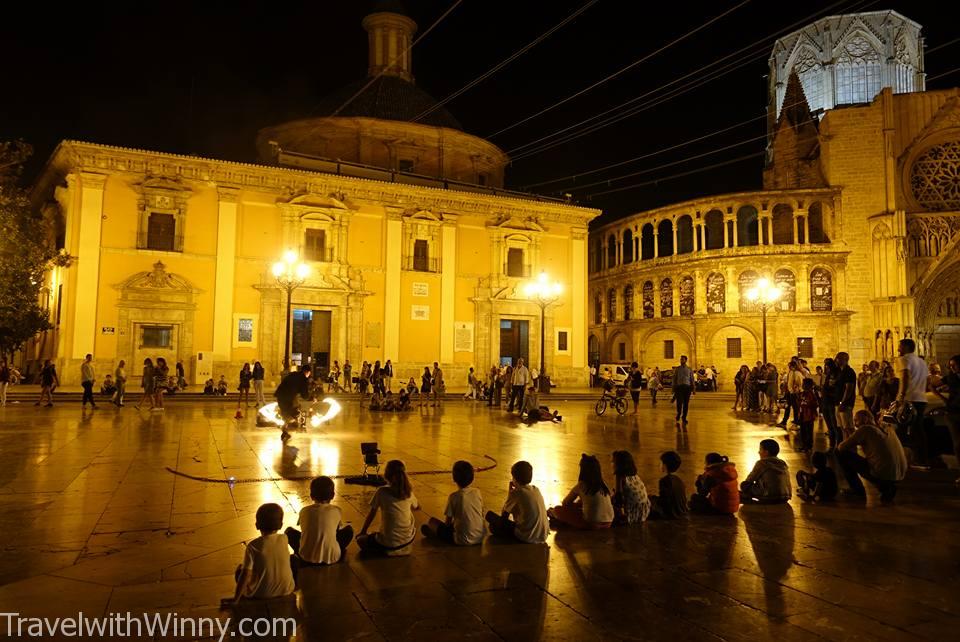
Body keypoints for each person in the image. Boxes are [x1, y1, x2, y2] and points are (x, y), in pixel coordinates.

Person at [837, 410, 907, 503]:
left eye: (856, 420)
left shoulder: (865, 429)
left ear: (865, 419)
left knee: (840, 453)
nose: (855, 424)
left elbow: (841, 447)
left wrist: (849, 434)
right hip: (899, 474)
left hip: (882, 472)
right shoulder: (887, 428)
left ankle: (858, 490)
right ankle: (887, 486)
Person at [285, 476, 353, 571]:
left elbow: (305, 531)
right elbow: (336, 531)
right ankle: (335, 550)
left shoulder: (304, 511)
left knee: (289, 531)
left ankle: (302, 552)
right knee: (349, 531)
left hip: (306, 557)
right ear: (333, 495)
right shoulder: (337, 510)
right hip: (333, 558)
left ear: (311, 495)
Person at [232, 503, 295, 603]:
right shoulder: (284, 538)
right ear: (281, 525)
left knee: (240, 570)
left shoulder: (253, 546)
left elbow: (246, 574)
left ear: (257, 525)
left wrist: (236, 599)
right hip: (287, 590)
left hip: (260, 594)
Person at [357, 460, 420, 556]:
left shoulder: (381, 492)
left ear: (387, 475)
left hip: (388, 542)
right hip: (407, 540)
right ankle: (394, 549)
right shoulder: (409, 493)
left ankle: (384, 550)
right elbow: (417, 506)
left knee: (360, 540)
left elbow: (371, 514)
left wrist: (363, 531)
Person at [421, 460, 484, 545]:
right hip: (480, 537)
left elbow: (447, 523)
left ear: (454, 478)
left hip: (462, 540)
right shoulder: (477, 492)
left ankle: (436, 535)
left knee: (432, 521)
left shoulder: (454, 497)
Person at [485, 461, 549, 543]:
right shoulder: (536, 489)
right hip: (543, 535)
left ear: (515, 478)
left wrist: (510, 493)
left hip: (527, 536)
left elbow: (504, 517)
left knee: (491, 520)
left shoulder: (517, 492)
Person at [548, 454, 614, 530]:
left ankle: (552, 513)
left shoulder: (582, 485)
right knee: (581, 506)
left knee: (557, 510)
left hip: (592, 523)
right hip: (609, 523)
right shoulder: (603, 485)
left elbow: (565, 503)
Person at [896, 338, 930, 467]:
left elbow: (904, 377)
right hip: (921, 399)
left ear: (905, 347)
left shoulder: (904, 359)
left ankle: (901, 458)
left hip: (909, 399)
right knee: (918, 430)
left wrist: (901, 397)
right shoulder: (921, 362)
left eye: (899, 346)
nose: (898, 349)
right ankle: (921, 458)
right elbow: (926, 381)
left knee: (901, 429)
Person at [740, 439, 791, 504]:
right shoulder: (783, 463)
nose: (758, 452)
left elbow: (750, 479)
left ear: (766, 452)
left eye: (760, 449)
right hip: (785, 497)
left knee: (744, 485)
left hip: (769, 497)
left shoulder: (762, 463)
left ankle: (747, 498)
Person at [611, 450, 650, 525]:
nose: (612, 464)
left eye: (613, 462)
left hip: (631, 515)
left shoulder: (620, 477)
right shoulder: (635, 475)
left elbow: (619, 498)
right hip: (643, 512)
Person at [274, 365, 312, 439]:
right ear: (307, 372)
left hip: (280, 396)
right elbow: (305, 395)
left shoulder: (293, 374)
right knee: (295, 414)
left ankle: (285, 431)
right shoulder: (303, 379)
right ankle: (286, 428)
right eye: (309, 373)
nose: (309, 375)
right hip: (288, 398)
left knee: (287, 414)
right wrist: (311, 397)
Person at [648, 451, 688, 519]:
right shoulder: (678, 479)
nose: (659, 465)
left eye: (660, 462)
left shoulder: (664, 481)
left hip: (671, 514)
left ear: (665, 465)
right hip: (680, 511)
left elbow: (664, 502)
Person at [833, 352, 857, 440]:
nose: (836, 360)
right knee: (842, 427)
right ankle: (845, 444)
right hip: (838, 402)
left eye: (838, 358)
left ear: (845, 360)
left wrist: (842, 402)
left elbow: (849, 389)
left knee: (848, 427)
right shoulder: (840, 371)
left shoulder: (849, 372)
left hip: (845, 404)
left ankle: (851, 446)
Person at [820, 358, 841, 448]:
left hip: (831, 403)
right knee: (830, 426)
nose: (825, 367)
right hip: (825, 402)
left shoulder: (835, 375)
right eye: (825, 365)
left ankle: (838, 445)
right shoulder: (828, 375)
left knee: (835, 425)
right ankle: (832, 446)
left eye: (827, 365)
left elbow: (835, 388)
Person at [796, 377, 819, 452]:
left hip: (809, 415)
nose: (802, 385)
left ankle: (808, 446)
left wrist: (806, 404)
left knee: (808, 431)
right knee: (803, 431)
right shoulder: (803, 393)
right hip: (803, 414)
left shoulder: (811, 394)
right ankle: (804, 445)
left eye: (804, 384)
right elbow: (799, 402)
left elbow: (815, 404)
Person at [777, 362, 803, 428]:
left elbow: (800, 383)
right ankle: (784, 421)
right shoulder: (791, 372)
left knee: (795, 408)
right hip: (790, 392)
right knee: (787, 407)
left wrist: (797, 390)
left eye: (790, 366)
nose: (789, 367)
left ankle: (796, 423)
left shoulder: (797, 373)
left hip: (794, 393)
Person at [672, 355, 694, 424]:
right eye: (680, 359)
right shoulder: (677, 369)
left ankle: (684, 417)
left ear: (685, 360)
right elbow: (674, 379)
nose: (681, 361)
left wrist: (694, 389)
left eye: (682, 359)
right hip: (679, 387)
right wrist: (673, 388)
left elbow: (692, 379)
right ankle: (679, 413)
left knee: (686, 404)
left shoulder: (689, 369)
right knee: (679, 403)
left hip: (687, 388)